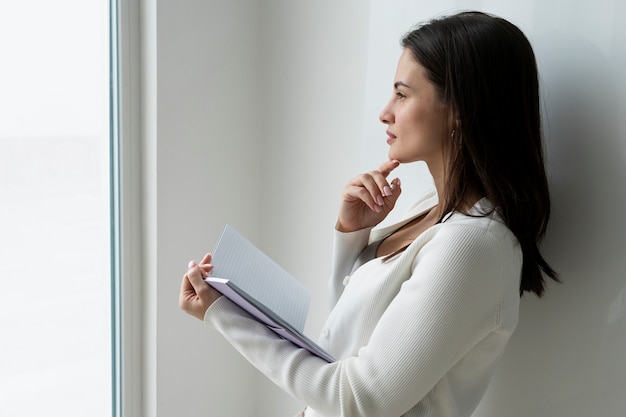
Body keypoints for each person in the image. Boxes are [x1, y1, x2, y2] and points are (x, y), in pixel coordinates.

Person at [179, 10, 559, 417]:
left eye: (402, 94)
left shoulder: (474, 245)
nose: (385, 112)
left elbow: (362, 399)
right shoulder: (429, 209)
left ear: (459, 110)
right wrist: (351, 236)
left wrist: (225, 315)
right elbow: (348, 340)